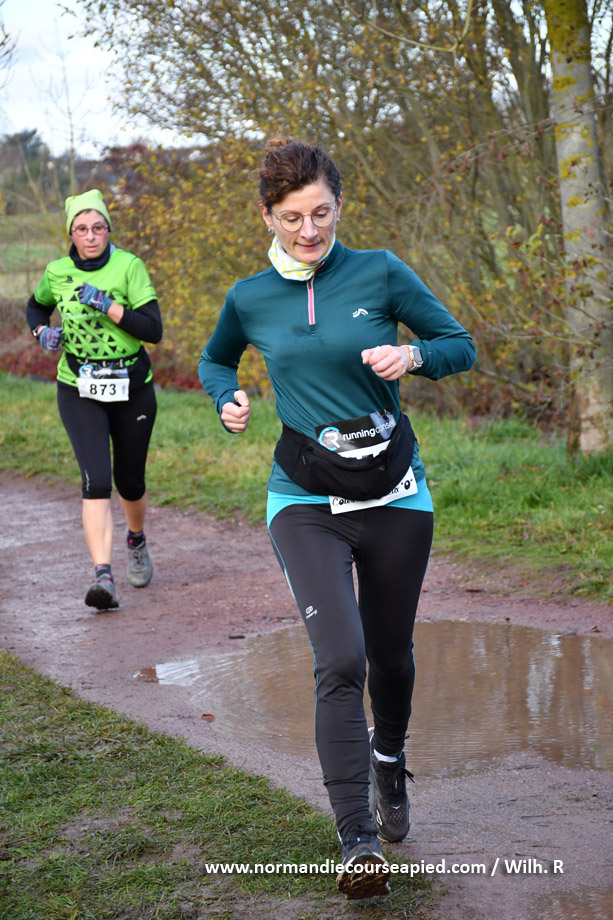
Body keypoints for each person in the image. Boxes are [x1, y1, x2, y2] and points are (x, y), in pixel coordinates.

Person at [198, 138, 475, 899]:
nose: (309, 231)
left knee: (389, 656)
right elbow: (215, 359)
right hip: (305, 499)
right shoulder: (250, 297)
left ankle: (390, 759)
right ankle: (357, 842)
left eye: (320, 213)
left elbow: (459, 345)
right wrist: (226, 397)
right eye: (292, 217)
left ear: (339, 206)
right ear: (267, 216)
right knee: (341, 658)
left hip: (394, 495)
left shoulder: (379, 271)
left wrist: (412, 359)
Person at [26, 188, 163, 611]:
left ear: (108, 230)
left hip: (132, 389)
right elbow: (35, 307)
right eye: (82, 229)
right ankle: (103, 576)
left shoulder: (129, 266)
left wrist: (109, 306)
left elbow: (153, 330)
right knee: (96, 482)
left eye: (98, 228)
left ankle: (136, 540)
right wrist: (42, 333)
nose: (90, 236)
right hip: (78, 387)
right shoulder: (57, 272)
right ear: (71, 233)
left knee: (130, 481)